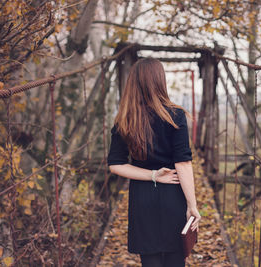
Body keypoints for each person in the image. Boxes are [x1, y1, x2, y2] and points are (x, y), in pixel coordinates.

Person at [107, 57, 201, 267]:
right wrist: (192, 206)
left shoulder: (125, 118)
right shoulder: (175, 115)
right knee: (176, 259)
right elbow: (183, 163)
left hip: (142, 199)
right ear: (160, 80)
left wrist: (151, 175)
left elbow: (115, 164)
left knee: (149, 261)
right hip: (173, 195)